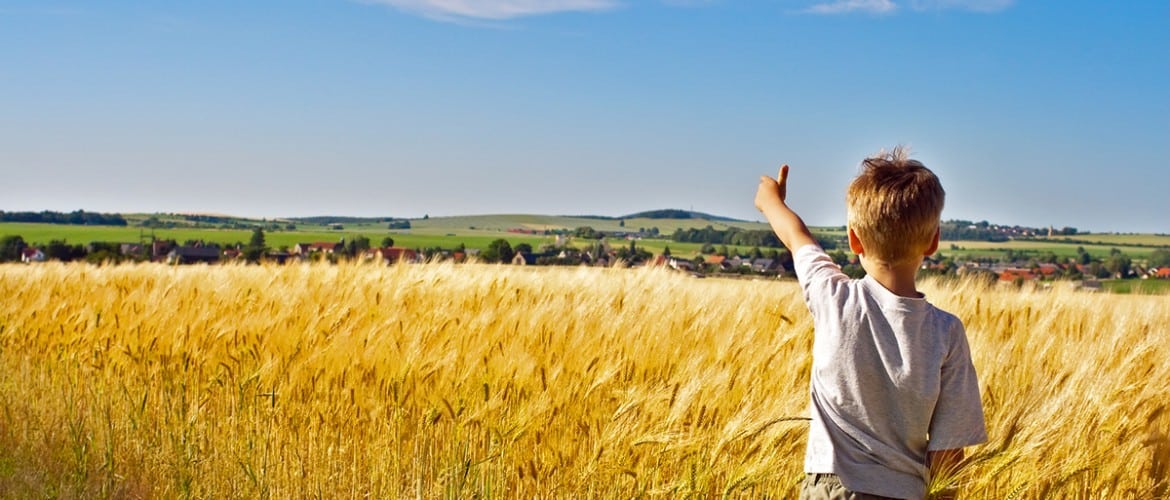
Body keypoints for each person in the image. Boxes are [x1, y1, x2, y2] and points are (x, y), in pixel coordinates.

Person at [754, 147, 987, 499]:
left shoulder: (833, 297)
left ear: (853, 240)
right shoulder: (947, 332)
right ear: (933, 241)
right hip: (907, 492)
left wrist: (771, 200)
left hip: (833, 488)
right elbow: (948, 452)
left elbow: (796, 237)